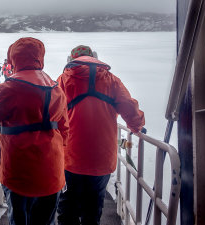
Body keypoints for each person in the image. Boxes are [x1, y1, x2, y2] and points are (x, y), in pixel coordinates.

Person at [0, 37, 69, 225]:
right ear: (40, 58)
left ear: (14, 58)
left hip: (19, 173)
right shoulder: (56, 88)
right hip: (52, 174)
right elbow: (65, 130)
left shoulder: (9, 88)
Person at [56, 45, 145, 225]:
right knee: (94, 204)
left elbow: (52, 112)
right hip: (102, 158)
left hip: (71, 156)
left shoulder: (63, 80)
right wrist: (136, 126)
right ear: (94, 57)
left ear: (70, 61)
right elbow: (128, 107)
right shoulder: (111, 80)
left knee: (69, 203)